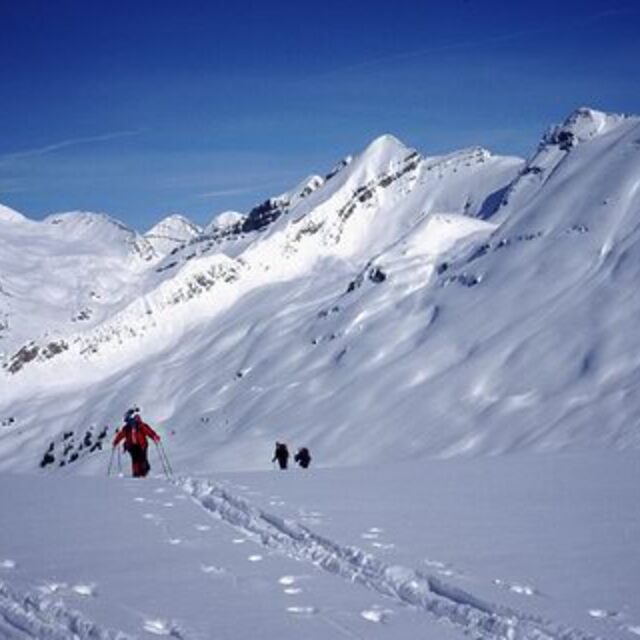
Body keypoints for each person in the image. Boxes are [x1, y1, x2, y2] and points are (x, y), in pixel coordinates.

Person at [112, 408, 160, 477]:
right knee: (135, 459)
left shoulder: (141, 426)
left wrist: (155, 437)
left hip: (142, 445)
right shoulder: (127, 428)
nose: (127, 421)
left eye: (128, 418)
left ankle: (145, 472)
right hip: (132, 446)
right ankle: (136, 474)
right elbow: (121, 435)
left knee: (143, 459)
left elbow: (148, 431)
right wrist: (115, 442)